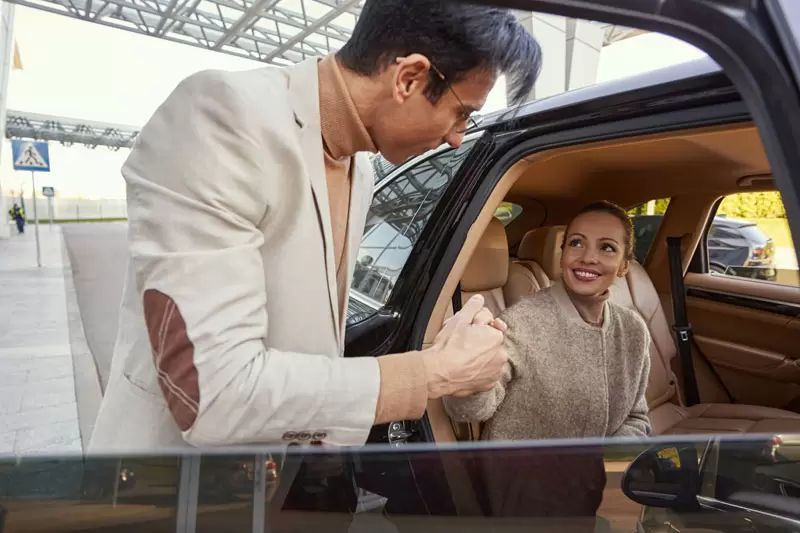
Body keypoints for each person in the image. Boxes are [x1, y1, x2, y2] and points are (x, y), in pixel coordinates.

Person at [89, 0, 543, 452]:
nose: (457, 137)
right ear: (410, 78)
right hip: (173, 491)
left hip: (280, 479)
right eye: (462, 112)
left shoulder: (360, 167)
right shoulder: (222, 117)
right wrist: (434, 372)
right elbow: (216, 393)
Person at [443, 201, 652, 520]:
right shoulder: (521, 323)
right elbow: (471, 409)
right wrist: (467, 368)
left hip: (597, 498)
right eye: (576, 243)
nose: (588, 257)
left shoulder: (633, 330)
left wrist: (608, 469)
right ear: (563, 253)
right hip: (522, 504)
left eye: (607, 248)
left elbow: (636, 416)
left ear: (625, 265)